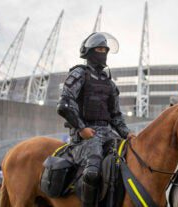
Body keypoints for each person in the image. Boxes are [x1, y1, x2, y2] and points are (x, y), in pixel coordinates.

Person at [57, 32, 136, 207]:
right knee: (92, 172)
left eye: (105, 49)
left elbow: (116, 115)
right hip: (85, 136)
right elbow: (64, 104)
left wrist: (127, 133)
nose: (103, 53)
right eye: (99, 49)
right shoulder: (79, 73)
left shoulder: (109, 83)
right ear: (89, 52)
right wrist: (81, 129)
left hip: (109, 134)